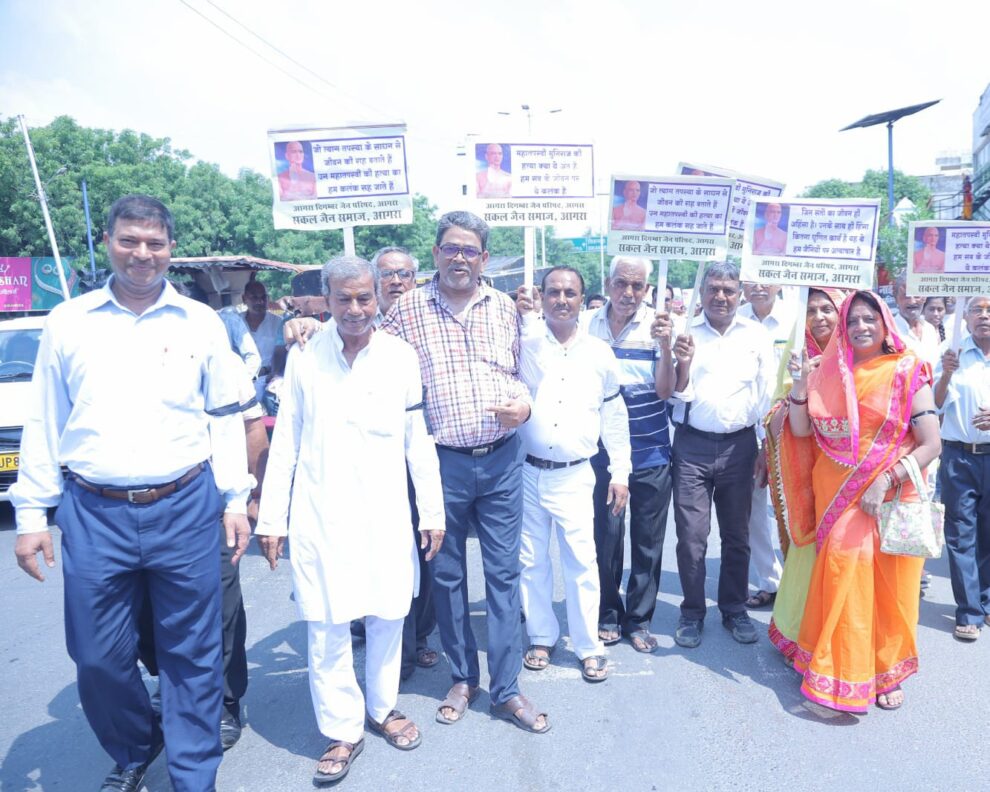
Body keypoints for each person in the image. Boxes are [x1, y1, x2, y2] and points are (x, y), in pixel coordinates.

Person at [10, 194, 252, 792]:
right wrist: (31, 514)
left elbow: (224, 417)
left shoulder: (199, 322)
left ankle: (194, 774)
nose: (142, 254)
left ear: (170, 248)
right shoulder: (69, 321)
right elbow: (45, 419)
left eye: (154, 243)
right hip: (94, 511)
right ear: (108, 242)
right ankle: (137, 746)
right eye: (129, 240)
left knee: (192, 653)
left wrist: (235, 500)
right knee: (97, 656)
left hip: (185, 506)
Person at [254, 255, 446, 785]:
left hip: (386, 510)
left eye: (365, 297)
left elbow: (417, 439)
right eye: (344, 299)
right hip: (321, 512)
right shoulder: (305, 356)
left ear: (378, 296)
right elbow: (286, 441)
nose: (356, 309)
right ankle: (342, 729)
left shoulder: (400, 357)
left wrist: (431, 511)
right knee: (326, 622)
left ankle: (383, 708)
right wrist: (272, 519)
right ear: (328, 300)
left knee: (388, 613)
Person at [381, 211, 550, 734]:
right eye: (450, 248)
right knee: (447, 575)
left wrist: (524, 407)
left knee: (504, 575)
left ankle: (506, 688)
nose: (459, 258)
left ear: (483, 258)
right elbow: (365, 353)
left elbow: (522, 375)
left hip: (501, 460)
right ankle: (462, 677)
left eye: (469, 250)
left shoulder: (505, 308)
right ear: (435, 254)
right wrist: (307, 328)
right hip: (441, 464)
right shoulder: (406, 310)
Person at [786, 291, 940, 711]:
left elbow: (931, 444)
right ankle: (838, 666)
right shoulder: (828, 373)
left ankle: (886, 671)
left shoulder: (908, 369)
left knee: (888, 586)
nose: (860, 327)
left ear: (884, 323)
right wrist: (800, 385)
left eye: (869, 318)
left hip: (888, 495)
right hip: (835, 493)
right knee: (843, 569)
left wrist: (884, 480)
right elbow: (800, 431)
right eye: (852, 320)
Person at [515, 266, 631, 683]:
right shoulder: (525, 343)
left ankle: (587, 646)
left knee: (582, 562)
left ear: (583, 299)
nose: (561, 300)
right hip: (528, 472)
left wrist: (620, 472)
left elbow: (614, 416)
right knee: (531, 561)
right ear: (541, 296)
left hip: (575, 475)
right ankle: (541, 637)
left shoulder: (599, 353)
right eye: (553, 292)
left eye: (570, 293)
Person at [670, 262, 775, 649]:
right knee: (691, 537)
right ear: (701, 293)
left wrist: (765, 447)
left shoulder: (756, 335)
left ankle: (733, 608)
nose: (720, 297)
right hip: (692, 446)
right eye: (713, 289)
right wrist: (682, 361)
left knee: (737, 534)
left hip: (740, 447)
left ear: (739, 294)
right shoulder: (685, 333)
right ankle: (692, 612)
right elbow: (675, 392)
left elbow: (766, 395)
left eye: (728, 290)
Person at [586, 256, 677, 653]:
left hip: (651, 450)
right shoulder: (587, 325)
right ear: (608, 283)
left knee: (648, 542)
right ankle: (608, 611)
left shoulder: (661, 326)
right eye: (621, 283)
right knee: (606, 537)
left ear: (647, 290)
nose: (628, 293)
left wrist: (666, 347)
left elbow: (665, 391)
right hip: (602, 454)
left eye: (637, 286)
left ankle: (639, 620)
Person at [765, 288, 849, 661]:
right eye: (811, 310)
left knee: (846, 556)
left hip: (852, 472)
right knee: (809, 551)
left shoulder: (862, 354)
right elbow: (775, 417)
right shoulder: (798, 354)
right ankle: (800, 634)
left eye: (827, 309)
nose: (819, 317)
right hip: (808, 471)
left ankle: (842, 640)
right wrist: (802, 386)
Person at [934, 295, 990, 641]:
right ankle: (969, 612)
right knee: (960, 534)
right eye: (977, 310)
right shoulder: (951, 352)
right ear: (965, 317)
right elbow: (934, 404)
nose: (984, 316)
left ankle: (986, 599)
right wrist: (946, 374)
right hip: (958, 458)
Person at [737, 282, 791, 609]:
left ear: (779, 281)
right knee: (754, 510)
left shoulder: (796, 317)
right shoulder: (734, 319)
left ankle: (802, 580)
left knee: (795, 510)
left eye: (764, 277)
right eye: (751, 278)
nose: (758, 285)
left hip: (793, 428)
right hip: (749, 431)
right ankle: (770, 580)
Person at [893, 274, 940, 369]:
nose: (912, 301)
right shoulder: (890, 331)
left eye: (917, 295)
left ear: (925, 296)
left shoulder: (930, 329)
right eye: (906, 296)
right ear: (896, 298)